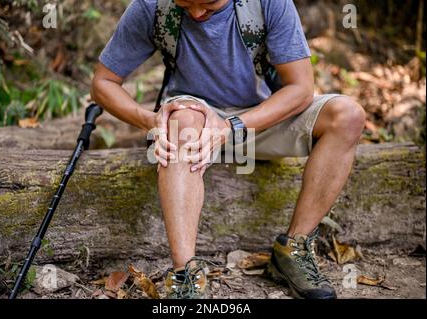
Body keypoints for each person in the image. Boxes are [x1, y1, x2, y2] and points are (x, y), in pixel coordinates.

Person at [90, 0, 366, 299]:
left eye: (208, 3)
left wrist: (231, 126)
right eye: (185, 3)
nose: (196, 13)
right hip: (193, 121)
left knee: (347, 115)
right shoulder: (151, 6)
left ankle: (293, 249)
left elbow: (300, 89)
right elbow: (103, 82)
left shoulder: (269, 3)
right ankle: (186, 277)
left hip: (262, 118)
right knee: (181, 121)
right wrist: (151, 120)